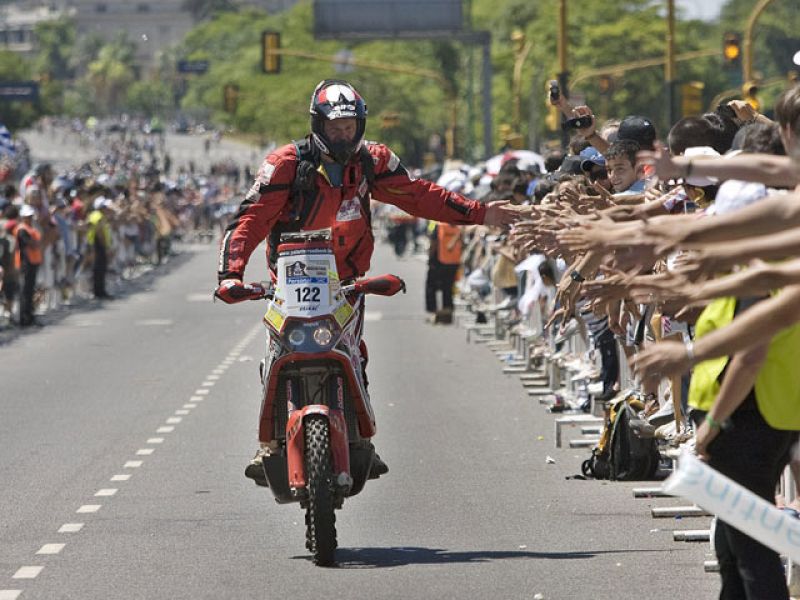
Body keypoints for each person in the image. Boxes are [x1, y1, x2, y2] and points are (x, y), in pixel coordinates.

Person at [217, 79, 519, 484]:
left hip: (346, 282)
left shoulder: (374, 161)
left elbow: (419, 196)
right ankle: (269, 443)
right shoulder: (285, 163)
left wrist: (483, 213)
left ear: (360, 125)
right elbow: (250, 219)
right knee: (277, 349)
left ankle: (360, 440)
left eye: (349, 127)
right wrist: (230, 274)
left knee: (353, 352)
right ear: (317, 125)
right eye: (334, 127)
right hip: (290, 283)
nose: (343, 135)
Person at [14, 204, 43, 327]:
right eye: (27, 216)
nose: (30, 218)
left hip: (33, 262)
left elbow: (37, 242)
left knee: (30, 291)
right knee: (25, 291)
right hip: (26, 263)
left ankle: (30, 316)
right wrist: (35, 242)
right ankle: (25, 319)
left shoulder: (30, 228)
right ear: (23, 217)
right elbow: (30, 244)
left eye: (31, 216)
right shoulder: (22, 229)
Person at [86, 197, 114, 299]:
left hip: (94, 243)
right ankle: (99, 292)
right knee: (100, 268)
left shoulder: (95, 215)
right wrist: (105, 246)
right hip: (98, 244)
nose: (107, 209)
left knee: (98, 268)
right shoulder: (99, 216)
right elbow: (99, 231)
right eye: (105, 207)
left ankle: (99, 291)